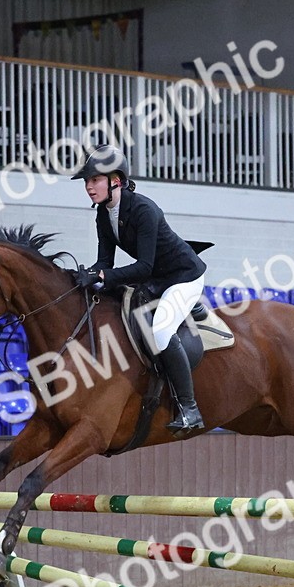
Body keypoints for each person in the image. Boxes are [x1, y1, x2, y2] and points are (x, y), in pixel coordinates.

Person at [71, 144, 205, 434]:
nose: (89, 187)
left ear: (115, 180)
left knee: (161, 331)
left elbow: (143, 266)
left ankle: (190, 408)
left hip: (183, 277)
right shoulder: (103, 214)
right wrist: (88, 274)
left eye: (94, 180)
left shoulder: (143, 209)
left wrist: (103, 275)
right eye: (86, 182)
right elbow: (105, 262)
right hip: (156, 278)